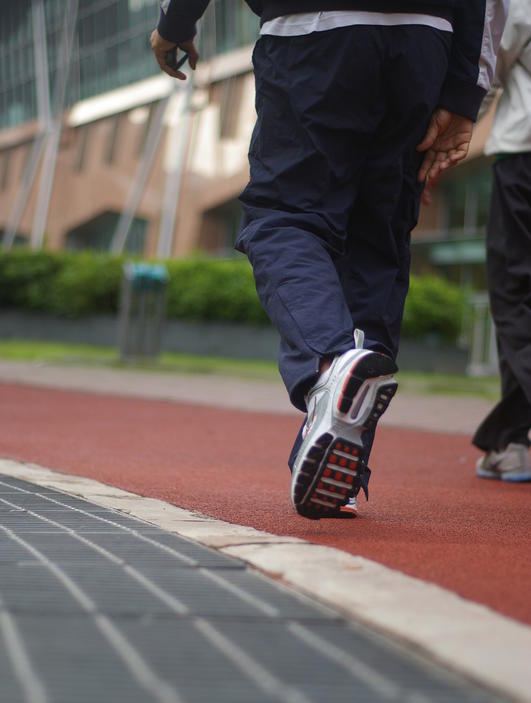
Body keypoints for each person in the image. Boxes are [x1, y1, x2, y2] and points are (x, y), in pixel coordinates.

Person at [151, 1, 508, 517]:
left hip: (312, 33)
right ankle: (343, 456)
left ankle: (328, 365)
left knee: (282, 218)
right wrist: (465, 91)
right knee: (378, 248)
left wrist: (176, 22)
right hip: (423, 42)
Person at [472, 0, 531, 483]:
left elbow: (490, 62)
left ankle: (516, 440)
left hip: (524, 152)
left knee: (515, 294)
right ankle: (514, 437)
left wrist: (452, 130)